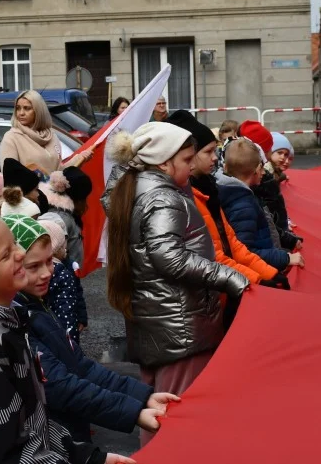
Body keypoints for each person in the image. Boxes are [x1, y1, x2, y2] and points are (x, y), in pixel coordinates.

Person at [0, 206, 134, 464]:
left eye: (15, 244)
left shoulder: (6, 325)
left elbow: (33, 422)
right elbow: (12, 452)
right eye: (6, 255)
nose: (21, 253)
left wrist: (88, 457)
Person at [102, 122, 248, 444]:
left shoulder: (135, 188)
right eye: (186, 159)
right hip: (179, 327)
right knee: (176, 417)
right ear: (164, 162)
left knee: (157, 412)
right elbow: (170, 257)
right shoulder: (162, 197)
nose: (192, 164)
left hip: (159, 322)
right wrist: (231, 278)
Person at [7, 215, 177, 443]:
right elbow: (59, 386)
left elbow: (82, 367)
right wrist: (133, 412)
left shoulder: (36, 306)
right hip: (48, 442)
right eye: (33, 266)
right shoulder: (15, 320)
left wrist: (143, 397)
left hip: (65, 438)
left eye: (49, 261)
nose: (47, 272)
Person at [165, 111, 287, 289]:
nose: (215, 157)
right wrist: (256, 279)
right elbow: (211, 257)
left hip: (222, 286)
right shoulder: (185, 199)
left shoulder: (209, 189)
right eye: (208, 152)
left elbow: (233, 244)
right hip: (203, 295)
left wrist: (267, 273)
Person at [216, 139, 305, 272]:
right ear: (256, 170)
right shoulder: (243, 205)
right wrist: (285, 258)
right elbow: (246, 252)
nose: (264, 173)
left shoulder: (238, 195)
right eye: (262, 167)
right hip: (260, 271)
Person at [0, 89, 92, 178]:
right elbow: (10, 178)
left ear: (39, 111)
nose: (21, 113)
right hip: (30, 194)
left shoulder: (51, 135)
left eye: (27, 108)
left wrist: (79, 158)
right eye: (18, 108)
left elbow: (58, 172)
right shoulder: (11, 138)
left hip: (55, 193)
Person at [38, 219, 88, 342]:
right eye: (62, 246)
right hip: (63, 338)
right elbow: (67, 311)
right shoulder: (63, 274)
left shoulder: (31, 270)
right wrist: (71, 344)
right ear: (55, 247)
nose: (65, 249)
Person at [39, 167, 92, 270]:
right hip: (64, 276)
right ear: (78, 199)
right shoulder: (61, 218)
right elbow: (52, 251)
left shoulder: (65, 214)